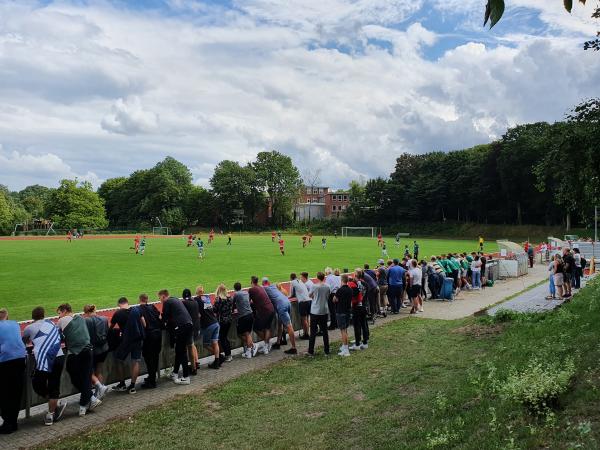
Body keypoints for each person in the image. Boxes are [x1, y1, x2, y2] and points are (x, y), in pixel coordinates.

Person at [23, 307, 67, 426]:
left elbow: (24, 341)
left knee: (37, 383)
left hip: (46, 359)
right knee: (54, 384)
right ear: (43, 315)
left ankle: (51, 413)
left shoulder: (29, 327)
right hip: (59, 357)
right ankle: (52, 409)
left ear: (33, 317)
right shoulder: (51, 323)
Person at [56, 303, 102, 416]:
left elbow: (56, 335)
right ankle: (86, 404)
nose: (59, 316)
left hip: (76, 352)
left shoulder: (62, 321)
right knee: (86, 378)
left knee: (75, 377)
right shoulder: (81, 318)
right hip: (88, 351)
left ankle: (89, 400)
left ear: (65, 311)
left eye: (59, 313)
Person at [0, 309, 27, 434]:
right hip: (21, 359)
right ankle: (13, 422)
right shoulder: (15, 324)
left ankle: (7, 423)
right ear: (7, 316)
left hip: (6, 361)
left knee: (6, 393)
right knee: (16, 391)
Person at [110, 297, 145, 394]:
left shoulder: (118, 313)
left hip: (126, 340)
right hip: (138, 339)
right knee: (136, 361)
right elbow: (144, 324)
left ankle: (122, 384)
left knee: (118, 359)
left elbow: (110, 327)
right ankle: (132, 386)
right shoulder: (137, 310)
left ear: (119, 304)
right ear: (127, 302)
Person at [160, 289, 193, 384]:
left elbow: (164, 318)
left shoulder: (167, 302)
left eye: (160, 298)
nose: (160, 300)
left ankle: (186, 377)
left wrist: (161, 320)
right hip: (188, 324)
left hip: (182, 327)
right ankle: (175, 373)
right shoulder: (175, 299)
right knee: (179, 350)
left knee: (181, 351)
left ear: (163, 296)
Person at [263, 279, 298, 354]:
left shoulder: (264, 288)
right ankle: (278, 342)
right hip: (287, 302)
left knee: (289, 326)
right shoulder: (273, 286)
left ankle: (294, 348)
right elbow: (282, 290)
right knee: (280, 324)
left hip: (281, 306)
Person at [82, 305, 109, 400]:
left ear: (86, 312)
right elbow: (107, 331)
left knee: (89, 372)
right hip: (104, 349)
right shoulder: (105, 319)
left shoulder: (86, 321)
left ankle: (99, 390)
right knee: (99, 371)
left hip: (93, 350)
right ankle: (100, 393)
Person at [138, 293, 162, 389]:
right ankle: (152, 377)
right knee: (155, 356)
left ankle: (152, 381)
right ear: (147, 299)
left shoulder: (139, 309)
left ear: (139, 299)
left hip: (149, 335)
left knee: (148, 357)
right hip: (158, 334)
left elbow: (142, 323)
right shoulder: (152, 307)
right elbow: (159, 316)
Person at [194, 286, 221, 369]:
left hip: (208, 325)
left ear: (197, 292)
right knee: (215, 343)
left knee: (206, 345)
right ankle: (217, 360)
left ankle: (219, 357)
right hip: (216, 323)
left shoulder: (196, 300)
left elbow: (197, 313)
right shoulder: (207, 297)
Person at [248, 276, 275, 354]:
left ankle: (267, 344)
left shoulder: (251, 289)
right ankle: (267, 346)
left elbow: (248, 301)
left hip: (265, 311)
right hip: (271, 308)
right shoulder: (261, 287)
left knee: (256, 328)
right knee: (267, 327)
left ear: (252, 282)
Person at [306, 272, 331, 357]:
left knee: (313, 332)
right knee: (325, 331)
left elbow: (309, 295)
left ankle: (311, 351)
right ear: (324, 277)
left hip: (315, 311)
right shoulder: (327, 286)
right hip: (324, 310)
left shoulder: (314, 286)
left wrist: (314, 297)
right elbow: (327, 296)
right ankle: (326, 351)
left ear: (317, 277)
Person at [232, 282, 258, 358]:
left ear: (234, 288)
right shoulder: (246, 292)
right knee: (241, 334)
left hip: (244, 316)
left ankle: (249, 351)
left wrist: (233, 310)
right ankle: (252, 346)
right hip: (250, 314)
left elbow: (233, 304)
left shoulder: (236, 294)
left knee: (246, 334)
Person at [214, 284, 235, 363]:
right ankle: (228, 354)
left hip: (222, 321)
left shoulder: (219, 299)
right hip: (229, 320)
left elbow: (215, 310)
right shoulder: (230, 298)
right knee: (225, 337)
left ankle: (227, 355)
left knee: (222, 338)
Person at [348, 273, 369, 350]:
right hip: (364, 306)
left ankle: (357, 343)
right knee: (364, 324)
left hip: (357, 307)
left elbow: (354, 296)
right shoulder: (365, 284)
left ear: (356, 277)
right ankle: (365, 342)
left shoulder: (355, 285)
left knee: (357, 326)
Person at [333, 274, 353, 357]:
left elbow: (334, 299)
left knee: (343, 331)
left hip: (341, 311)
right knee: (345, 330)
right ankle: (345, 346)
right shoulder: (350, 289)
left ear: (341, 280)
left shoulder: (340, 290)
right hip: (347, 311)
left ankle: (346, 349)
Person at [181, 289, 200, 374]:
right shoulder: (195, 302)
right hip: (197, 326)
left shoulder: (184, 303)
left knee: (189, 347)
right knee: (192, 345)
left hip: (190, 327)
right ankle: (196, 362)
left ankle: (193, 367)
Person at [290, 272, 311, 339]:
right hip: (309, 300)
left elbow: (291, 294)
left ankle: (306, 334)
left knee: (304, 319)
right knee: (307, 318)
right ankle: (306, 332)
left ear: (290, 278)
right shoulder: (301, 281)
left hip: (303, 302)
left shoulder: (292, 282)